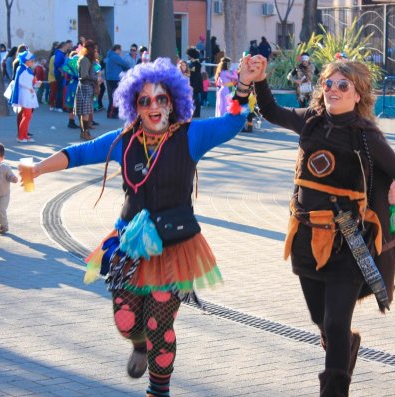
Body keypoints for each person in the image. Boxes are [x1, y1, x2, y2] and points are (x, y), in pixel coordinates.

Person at [17, 56, 257, 397]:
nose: (154, 106)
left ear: (173, 102)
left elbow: (233, 122)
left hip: (174, 246)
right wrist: (38, 169)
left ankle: (158, 390)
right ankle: (139, 344)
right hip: (129, 242)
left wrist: (244, 84)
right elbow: (80, 152)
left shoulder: (191, 135)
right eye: (145, 100)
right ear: (135, 106)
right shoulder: (125, 140)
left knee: (161, 322)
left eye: (161, 98)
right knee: (127, 321)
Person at [250, 54, 395, 396]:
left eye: (343, 85)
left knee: (335, 322)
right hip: (304, 239)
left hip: (349, 242)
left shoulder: (366, 137)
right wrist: (259, 78)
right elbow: (270, 111)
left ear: (357, 94)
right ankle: (345, 347)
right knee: (321, 320)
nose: (333, 90)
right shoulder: (312, 122)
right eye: (328, 83)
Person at [10, 51, 38, 143]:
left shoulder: (26, 69)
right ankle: (21, 136)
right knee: (27, 116)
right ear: (26, 61)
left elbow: (29, 81)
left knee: (27, 116)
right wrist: (29, 87)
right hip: (25, 95)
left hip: (28, 94)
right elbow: (20, 81)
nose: (33, 62)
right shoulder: (21, 69)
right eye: (31, 60)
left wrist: (36, 84)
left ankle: (25, 135)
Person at [74, 40, 98, 141]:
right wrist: (96, 79)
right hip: (85, 87)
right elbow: (84, 76)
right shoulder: (85, 60)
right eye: (94, 49)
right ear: (90, 49)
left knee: (85, 111)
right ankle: (85, 133)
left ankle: (84, 132)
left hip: (86, 87)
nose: (96, 51)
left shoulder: (87, 59)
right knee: (85, 112)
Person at [105, 44, 131, 119]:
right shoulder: (115, 57)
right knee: (115, 96)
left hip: (110, 79)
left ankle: (112, 112)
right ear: (117, 50)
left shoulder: (110, 56)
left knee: (113, 96)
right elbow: (125, 64)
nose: (121, 51)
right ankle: (111, 113)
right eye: (120, 50)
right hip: (114, 79)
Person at [62, 51, 80, 129]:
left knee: (71, 104)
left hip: (70, 85)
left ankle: (71, 121)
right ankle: (73, 122)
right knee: (75, 104)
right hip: (75, 85)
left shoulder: (68, 66)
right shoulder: (75, 66)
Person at [186, 47, 203, 118]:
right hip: (195, 81)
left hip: (195, 82)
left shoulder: (196, 63)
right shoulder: (195, 63)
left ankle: (196, 113)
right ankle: (195, 113)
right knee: (195, 98)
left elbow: (194, 73)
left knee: (195, 98)